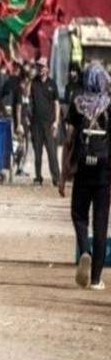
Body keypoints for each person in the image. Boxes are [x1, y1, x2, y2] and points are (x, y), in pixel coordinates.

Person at [61, 63, 111, 291]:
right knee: (101, 223)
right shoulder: (109, 105)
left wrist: (63, 175)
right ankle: (96, 279)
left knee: (79, 214)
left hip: (82, 168)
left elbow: (68, 140)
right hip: (104, 170)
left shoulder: (77, 104)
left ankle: (84, 251)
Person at [29, 59, 62, 186]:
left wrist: (56, 122)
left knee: (52, 152)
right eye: (39, 66)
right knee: (37, 152)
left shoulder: (52, 84)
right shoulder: (34, 82)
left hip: (49, 123)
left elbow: (56, 103)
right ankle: (38, 177)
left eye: (42, 67)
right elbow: (28, 98)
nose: (40, 69)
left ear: (47, 68)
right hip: (36, 123)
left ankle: (56, 178)